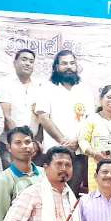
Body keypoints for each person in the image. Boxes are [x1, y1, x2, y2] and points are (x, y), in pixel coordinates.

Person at [34, 50, 94, 194]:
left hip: (78, 152)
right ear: (56, 67)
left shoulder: (84, 89)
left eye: (72, 63)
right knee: (50, 193)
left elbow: (90, 120)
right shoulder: (47, 88)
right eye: (64, 63)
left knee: (72, 194)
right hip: (54, 151)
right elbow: (43, 117)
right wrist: (63, 141)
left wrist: (77, 141)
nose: (69, 67)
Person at [0, 49, 45, 168]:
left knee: (31, 178)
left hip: (32, 147)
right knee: (11, 178)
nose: (28, 63)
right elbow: (6, 117)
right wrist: (22, 142)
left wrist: (35, 143)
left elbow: (42, 118)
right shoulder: (4, 84)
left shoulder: (40, 87)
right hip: (9, 145)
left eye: (31, 61)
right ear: (15, 62)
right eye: (24, 59)